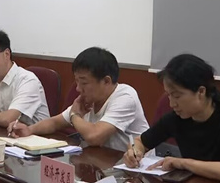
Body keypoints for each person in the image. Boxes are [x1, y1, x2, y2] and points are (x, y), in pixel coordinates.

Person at [123, 54, 220, 183]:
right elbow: (140, 141)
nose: (172, 104)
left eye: (177, 96)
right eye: (169, 95)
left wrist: (182, 162)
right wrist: (134, 152)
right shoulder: (177, 117)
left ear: (201, 92)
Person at [9, 47, 148, 151]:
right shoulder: (90, 98)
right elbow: (55, 122)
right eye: (77, 82)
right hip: (101, 164)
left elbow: (94, 136)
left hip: (134, 169)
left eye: (84, 83)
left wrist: (74, 115)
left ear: (106, 81)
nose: (78, 89)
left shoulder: (125, 97)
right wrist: (29, 129)